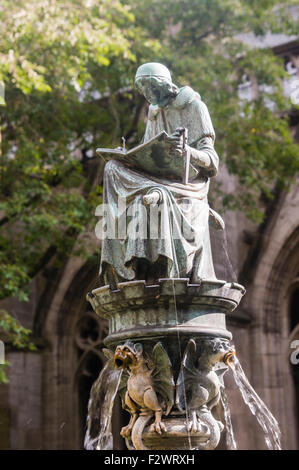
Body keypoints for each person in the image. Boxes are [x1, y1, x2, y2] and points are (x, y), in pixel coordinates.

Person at [99, 62, 223, 288]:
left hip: (187, 182)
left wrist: (187, 151)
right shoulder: (154, 112)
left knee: (156, 194)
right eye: (143, 90)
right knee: (111, 169)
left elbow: (212, 162)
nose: (147, 95)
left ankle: (155, 195)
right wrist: (127, 157)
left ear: (162, 84)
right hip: (156, 177)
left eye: (149, 88)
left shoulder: (194, 106)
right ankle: (120, 262)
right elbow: (150, 151)